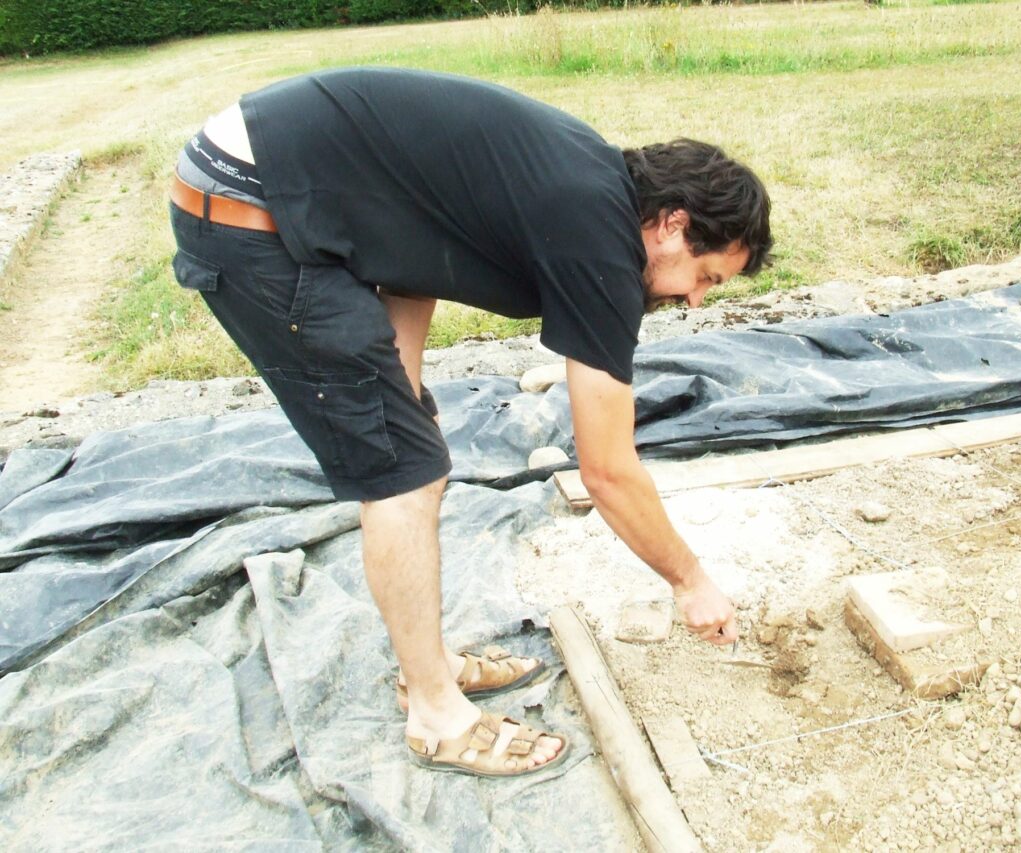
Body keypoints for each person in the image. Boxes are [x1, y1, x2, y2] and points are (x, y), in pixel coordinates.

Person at [168, 66, 772, 779]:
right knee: (402, 475)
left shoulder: (588, 186)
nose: (697, 301)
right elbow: (606, 469)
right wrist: (689, 580)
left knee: (412, 451)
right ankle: (434, 710)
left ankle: (430, 664)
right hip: (248, 205)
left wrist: (405, 390)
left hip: (272, 176)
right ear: (672, 223)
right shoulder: (601, 242)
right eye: (705, 276)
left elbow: (412, 243)